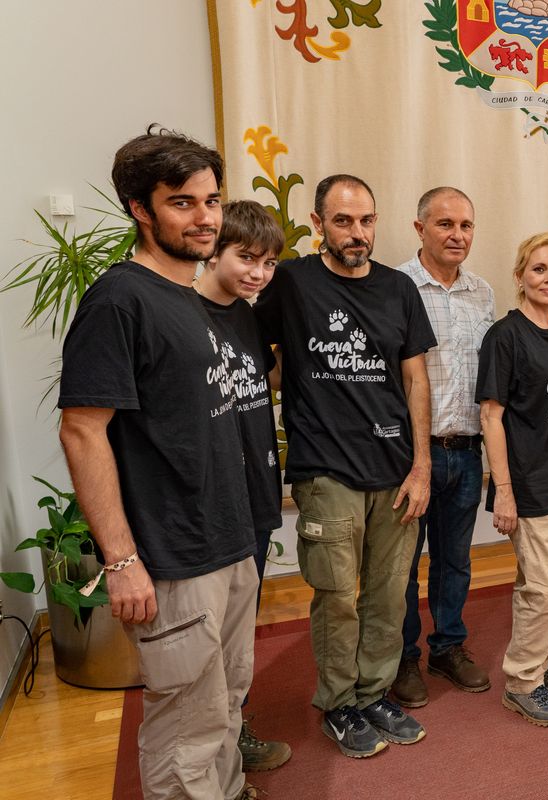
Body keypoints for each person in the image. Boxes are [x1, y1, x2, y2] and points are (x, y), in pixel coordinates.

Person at [58, 126, 261, 799]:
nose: (205, 217)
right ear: (140, 210)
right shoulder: (118, 300)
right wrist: (121, 561)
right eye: (183, 203)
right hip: (173, 554)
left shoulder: (195, 302)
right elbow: (83, 433)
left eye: (212, 200)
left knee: (226, 700)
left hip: (228, 542)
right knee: (187, 724)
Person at [253, 174, 436, 758]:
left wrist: (422, 466)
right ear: (317, 225)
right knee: (336, 594)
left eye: (365, 221)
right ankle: (338, 703)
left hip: (396, 468)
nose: (357, 234)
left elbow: (415, 379)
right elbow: (260, 360)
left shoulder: (399, 290)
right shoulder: (291, 283)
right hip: (324, 466)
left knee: (388, 594)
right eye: (342, 221)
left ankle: (375, 692)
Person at [194, 199, 291, 772]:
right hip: (210, 505)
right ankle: (210, 753)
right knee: (205, 640)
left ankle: (234, 729)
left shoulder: (249, 315)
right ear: (213, 248)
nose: (258, 273)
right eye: (246, 258)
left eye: (269, 263)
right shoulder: (184, 312)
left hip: (254, 491)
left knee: (239, 630)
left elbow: (264, 380)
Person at [478, 232, 548, 726]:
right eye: (539, 269)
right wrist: (503, 491)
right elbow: (491, 417)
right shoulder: (505, 336)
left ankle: (540, 663)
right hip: (529, 485)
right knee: (546, 588)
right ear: (520, 275)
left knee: (537, 583)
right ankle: (522, 682)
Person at [391, 187, 494, 708]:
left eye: (466, 226)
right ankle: (404, 656)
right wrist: (414, 458)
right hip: (412, 455)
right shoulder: (394, 287)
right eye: (445, 224)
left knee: (455, 559)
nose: (457, 235)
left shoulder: (483, 292)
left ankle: (448, 647)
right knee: (403, 563)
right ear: (419, 228)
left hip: (467, 448)